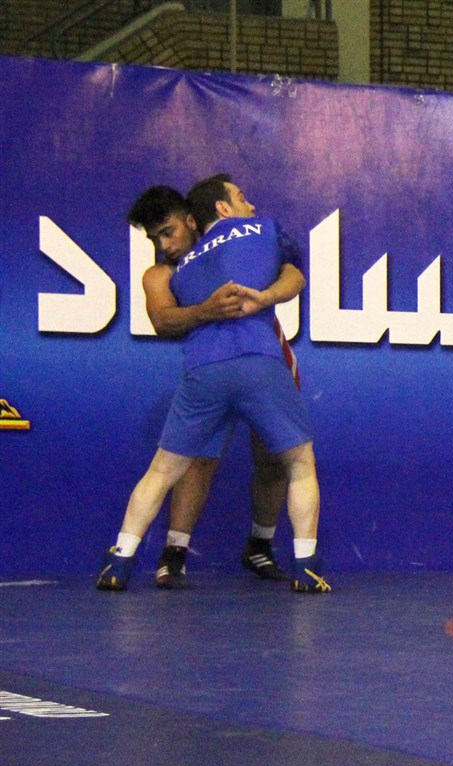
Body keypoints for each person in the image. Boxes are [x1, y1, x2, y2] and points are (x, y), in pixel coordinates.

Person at [98, 175, 330, 593]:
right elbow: (163, 320)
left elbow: (293, 274)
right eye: (155, 238)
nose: (164, 246)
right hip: (248, 361)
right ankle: (180, 555)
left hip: (232, 363)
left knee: (266, 461)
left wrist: (266, 297)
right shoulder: (169, 270)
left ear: (192, 219)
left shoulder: (200, 260)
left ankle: (127, 560)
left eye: (167, 232)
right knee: (237, 461)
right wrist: (209, 309)